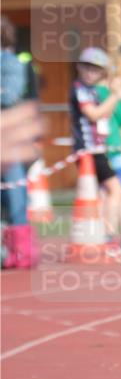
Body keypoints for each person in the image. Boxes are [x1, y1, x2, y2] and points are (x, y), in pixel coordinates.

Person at [69, 47, 121, 257]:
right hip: (92, 150)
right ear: (79, 67)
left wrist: (116, 96)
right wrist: (116, 95)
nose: (90, 73)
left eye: (96, 70)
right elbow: (94, 115)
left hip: (100, 150)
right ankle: (107, 238)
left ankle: (109, 238)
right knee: (114, 191)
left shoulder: (94, 91)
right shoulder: (82, 89)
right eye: (87, 67)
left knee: (114, 192)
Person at [1, 15, 41, 268]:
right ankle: (16, 251)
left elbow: (10, 97)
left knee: (14, 190)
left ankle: (16, 251)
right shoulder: (18, 63)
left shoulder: (14, 63)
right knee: (13, 191)